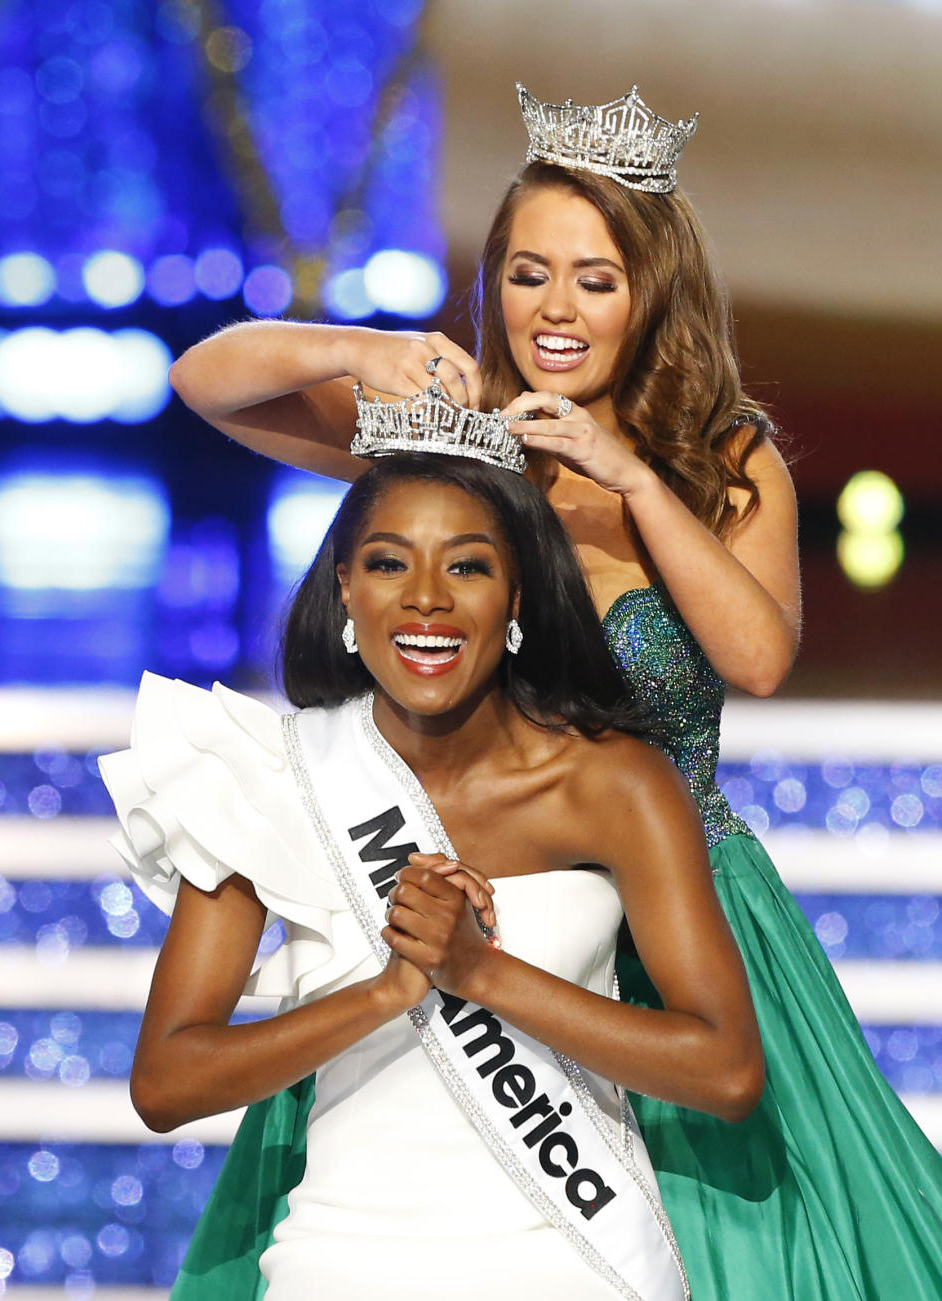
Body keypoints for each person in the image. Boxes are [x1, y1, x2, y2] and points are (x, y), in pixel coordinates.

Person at [167, 84, 942, 1298]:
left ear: (651, 290)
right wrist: (356, 349)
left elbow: (757, 656)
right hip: (482, 903)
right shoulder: (462, 433)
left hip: (688, 919)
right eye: (528, 273)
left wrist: (631, 477)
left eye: (595, 277)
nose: (557, 309)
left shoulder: (725, 458)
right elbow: (210, 383)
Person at [101, 443, 765, 1301]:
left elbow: (727, 1071)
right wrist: (386, 991)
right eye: (387, 563)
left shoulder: (615, 785)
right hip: (337, 1263)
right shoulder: (270, 775)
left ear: (517, 596)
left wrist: (480, 971)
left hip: (573, 1260)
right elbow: (165, 1083)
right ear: (344, 585)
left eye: (468, 566)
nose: (426, 598)